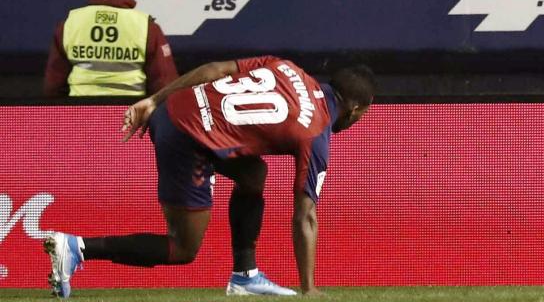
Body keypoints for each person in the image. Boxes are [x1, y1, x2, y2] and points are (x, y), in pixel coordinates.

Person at [42, 58, 375, 298]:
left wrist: (153, 99)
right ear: (355, 110)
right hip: (186, 138)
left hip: (173, 107)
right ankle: (77, 247)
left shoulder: (286, 67)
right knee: (182, 248)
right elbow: (306, 216)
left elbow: (215, 69)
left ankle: (245, 275)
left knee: (253, 173)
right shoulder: (316, 133)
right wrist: (309, 288)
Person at [43, 0, 177, 98]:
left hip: (80, 111)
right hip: (130, 112)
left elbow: (54, 83)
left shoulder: (70, 23)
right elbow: (164, 82)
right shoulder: (146, 26)